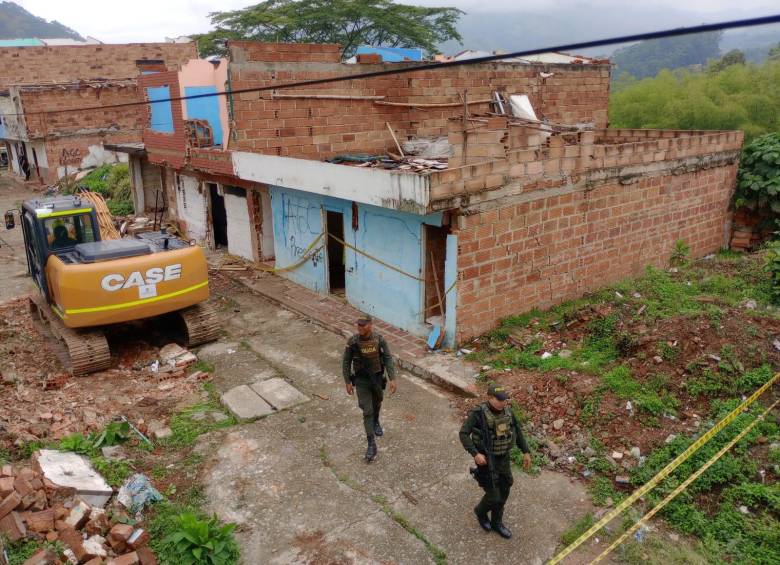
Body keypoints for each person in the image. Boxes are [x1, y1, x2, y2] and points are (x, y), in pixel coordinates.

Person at [459, 383, 532, 539]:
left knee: (505, 490)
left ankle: (497, 522)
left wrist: (526, 451)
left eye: (504, 399)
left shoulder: (508, 412)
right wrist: (475, 454)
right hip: (487, 460)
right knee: (493, 496)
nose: (502, 402)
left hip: (503, 459)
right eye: (499, 400)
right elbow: (464, 434)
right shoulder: (478, 414)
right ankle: (480, 512)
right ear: (490, 398)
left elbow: (517, 432)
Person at [342, 316, 397, 462]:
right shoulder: (353, 342)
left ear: (370, 325)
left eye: (363, 325)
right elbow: (346, 362)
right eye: (358, 325)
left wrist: (392, 378)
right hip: (361, 381)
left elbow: (387, 358)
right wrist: (347, 381)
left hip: (377, 378)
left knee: (378, 401)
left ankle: (376, 421)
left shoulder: (379, 340)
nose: (360, 328)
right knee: (367, 410)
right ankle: (371, 444)